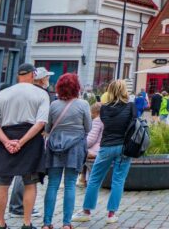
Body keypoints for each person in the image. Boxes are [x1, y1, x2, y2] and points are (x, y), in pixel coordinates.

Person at [0, 63, 50, 229]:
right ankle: (26, 223)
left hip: (7, 137)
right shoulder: (41, 94)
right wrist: (21, 142)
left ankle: (0, 224)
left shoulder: (3, 93)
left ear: (18, 75)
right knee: (30, 183)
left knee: (3, 184)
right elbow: (40, 123)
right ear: (33, 74)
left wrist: (6, 141)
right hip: (31, 140)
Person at [72, 79, 135, 224]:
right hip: (124, 147)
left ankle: (86, 211)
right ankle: (111, 214)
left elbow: (105, 124)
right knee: (118, 180)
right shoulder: (131, 107)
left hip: (106, 146)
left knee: (94, 178)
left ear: (110, 91)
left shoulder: (104, 109)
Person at [41, 72, 92, 229]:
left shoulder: (54, 105)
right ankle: (66, 223)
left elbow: (47, 128)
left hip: (55, 146)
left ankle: (47, 222)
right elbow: (88, 127)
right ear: (76, 88)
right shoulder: (83, 105)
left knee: (53, 184)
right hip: (75, 147)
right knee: (70, 184)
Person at [79, 103, 103, 188]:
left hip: (96, 150)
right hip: (101, 148)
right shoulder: (105, 119)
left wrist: (82, 144)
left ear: (96, 112)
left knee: (80, 152)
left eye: (91, 113)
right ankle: (82, 178)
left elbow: (91, 140)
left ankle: (83, 178)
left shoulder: (97, 121)